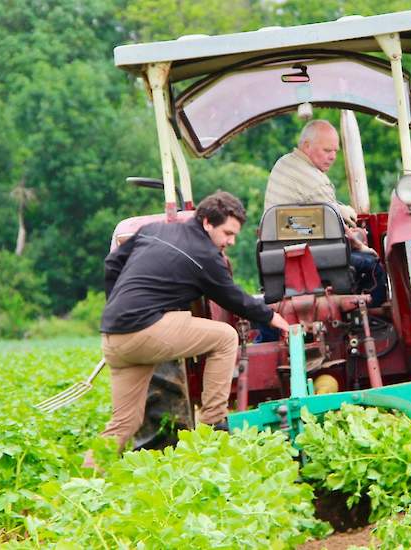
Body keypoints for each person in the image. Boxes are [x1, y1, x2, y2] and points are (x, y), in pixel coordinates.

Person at [97, 191, 289, 453]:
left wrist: (116, 305)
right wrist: (272, 317)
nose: (231, 241)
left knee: (124, 424)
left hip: (113, 336)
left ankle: (85, 482)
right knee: (225, 337)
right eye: (227, 233)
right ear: (207, 223)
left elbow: (112, 263)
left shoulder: (154, 230)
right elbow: (233, 297)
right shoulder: (205, 255)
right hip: (144, 331)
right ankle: (213, 422)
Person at [265, 119, 386, 305]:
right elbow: (338, 230)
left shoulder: (284, 164)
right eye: (327, 150)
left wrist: (339, 209)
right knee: (373, 266)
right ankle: (374, 320)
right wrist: (363, 247)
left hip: (276, 258)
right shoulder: (316, 180)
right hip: (310, 259)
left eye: (335, 151)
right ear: (306, 146)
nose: (332, 157)